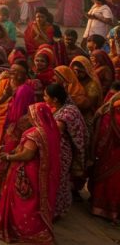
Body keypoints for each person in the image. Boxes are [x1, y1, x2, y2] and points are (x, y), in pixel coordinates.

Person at [0, 102, 60, 245]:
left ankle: (22, 230)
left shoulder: (35, 133)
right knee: (34, 203)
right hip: (40, 173)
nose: (28, 117)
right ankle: (39, 231)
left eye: (30, 114)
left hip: (27, 171)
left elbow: (27, 155)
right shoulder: (49, 132)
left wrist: (8, 157)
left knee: (23, 203)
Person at [0, 61, 37, 198]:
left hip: (16, 129)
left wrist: (13, 130)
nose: (13, 74)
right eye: (12, 70)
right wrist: (6, 94)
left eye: (17, 72)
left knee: (9, 159)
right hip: (4, 124)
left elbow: (20, 114)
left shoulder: (24, 90)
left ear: (24, 75)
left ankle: (4, 193)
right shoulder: (5, 83)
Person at [44, 82, 86, 217]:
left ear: (55, 99)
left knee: (58, 181)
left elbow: (55, 129)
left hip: (61, 152)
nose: (44, 98)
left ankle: (56, 211)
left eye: (46, 96)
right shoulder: (58, 108)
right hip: (54, 149)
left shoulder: (68, 112)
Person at [90, 91, 120, 222]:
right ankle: (108, 210)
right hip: (113, 150)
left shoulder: (110, 105)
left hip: (107, 150)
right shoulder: (114, 108)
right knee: (113, 180)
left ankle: (99, 206)